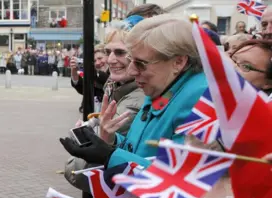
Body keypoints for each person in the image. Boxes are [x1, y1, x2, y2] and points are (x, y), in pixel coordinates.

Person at [61, 14, 207, 173]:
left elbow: (181, 181)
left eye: (140, 63)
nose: (131, 70)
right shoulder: (162, 87)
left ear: (178, 62)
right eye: (131, 59)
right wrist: (111, 140)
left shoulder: (201, 101)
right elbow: (138, 147)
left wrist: (109, 156)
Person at [71, 44, 109, 112]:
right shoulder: (95, 76)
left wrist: (87, 67)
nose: (97, 63)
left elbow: (106, 79)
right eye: (94, 61)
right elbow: (82, 88)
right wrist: (74, 71)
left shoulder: (115, 74)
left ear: (108, 57)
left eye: (100, 58)